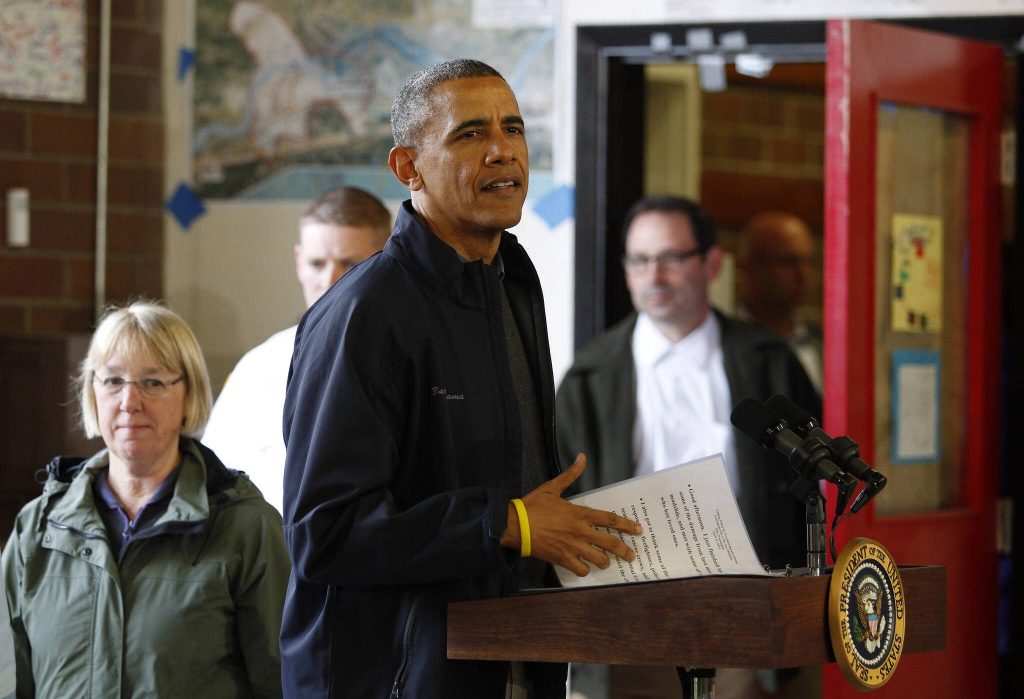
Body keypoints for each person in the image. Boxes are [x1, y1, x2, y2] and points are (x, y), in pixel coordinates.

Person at [280, 59, 642, 699]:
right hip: (396, 678)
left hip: (515, 659)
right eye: (470, 134)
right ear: (407, 168)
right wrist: (506, 524)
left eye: (515, 128)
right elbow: (325, 535)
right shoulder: (364, 313)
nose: (503, 150)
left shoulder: (514, 282)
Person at [556, 196, 820, 699]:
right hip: (627, 629)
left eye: (671, 258)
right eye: (639, 260)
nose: (653, 275)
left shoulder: (769, 364)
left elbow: (805, 493)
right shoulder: (588, 379)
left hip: (747, 621)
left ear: (712, 264)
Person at [2, 301, 289, 698]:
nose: (129, 401)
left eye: (153, 382)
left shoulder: (245, 527)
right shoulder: (38, 530)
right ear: (92, 392)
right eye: (113, 381)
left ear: (188, 393)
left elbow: (283, 683)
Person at [202, 186, 391, 512]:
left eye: (350, 264)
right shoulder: (258, 366)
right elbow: (212, 481)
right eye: (317, 264)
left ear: (385, 262)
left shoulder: (414, 356)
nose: (330, 281)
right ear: (299, 261)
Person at [737, 211, 822, 394]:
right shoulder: (724, 343)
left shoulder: (821, 344)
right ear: (749, 267)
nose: (803, 275)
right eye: (788, 262)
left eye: (808, 262)